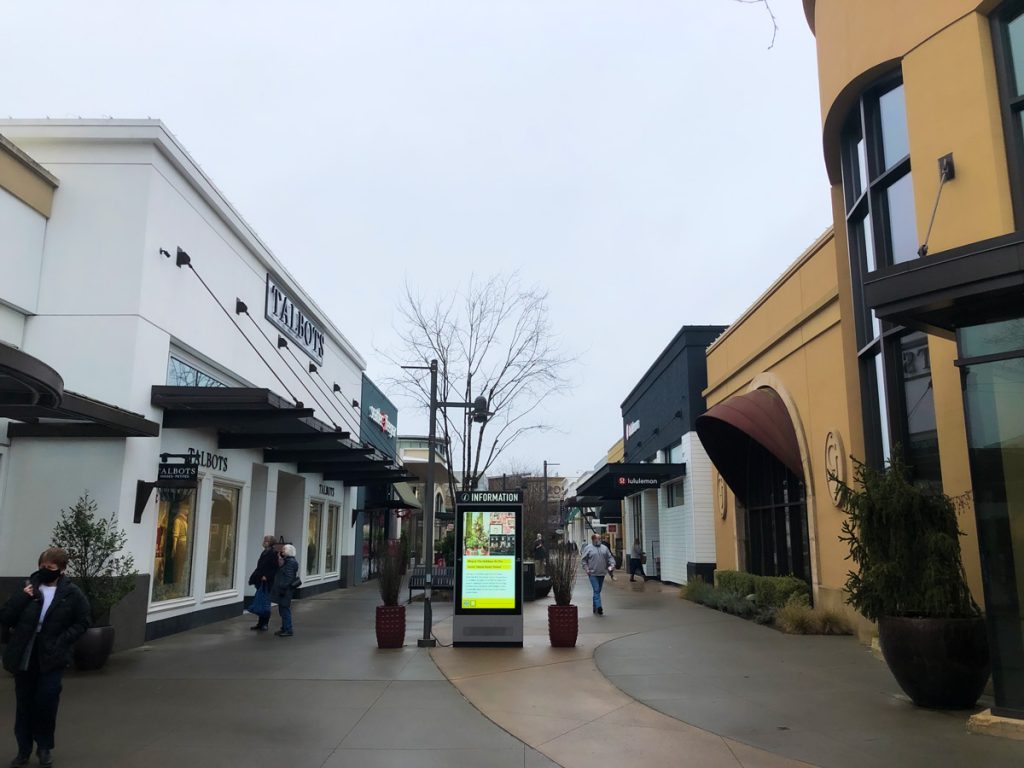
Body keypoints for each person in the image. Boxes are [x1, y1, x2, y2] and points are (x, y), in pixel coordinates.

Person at [0, 548, 90, 768]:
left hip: (52, 655)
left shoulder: (71, 593)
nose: (45, 571)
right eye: (42, 567)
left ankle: (44, 747)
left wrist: (63, 640)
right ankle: (23, 751)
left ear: (61, 570)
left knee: (47, 700)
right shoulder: (27, 587)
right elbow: (6, 616)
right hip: (25, 653)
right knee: (24, 703)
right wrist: (23, 597)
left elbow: (83, 621)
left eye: (50, 568)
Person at [248, 535, 280, 631]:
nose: (264, 542)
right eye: (264, 540)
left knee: (265, 602)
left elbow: (274, 568)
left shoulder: (273, 553)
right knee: (261, 601)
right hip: (261, 580)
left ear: (270, 542)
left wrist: (267, 576)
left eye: (266, 541)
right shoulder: (264, 552)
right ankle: (260, 623)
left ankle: (265, 623)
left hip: (267, 581)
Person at [581, 534, 615, 615]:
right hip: (592, 573)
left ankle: (595, 606)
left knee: (598, 590)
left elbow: (610, 557)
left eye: (600, 538)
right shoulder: (588, 548)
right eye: (597, 539)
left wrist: (612, 565)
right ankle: (599, 607)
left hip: (602, 573)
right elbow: (584, 560)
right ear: (593, 539)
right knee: (596, 590)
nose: (599, 540)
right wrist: (587, 569)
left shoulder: (604, 548)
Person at [271, 544, 299, 637]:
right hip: (284, 589)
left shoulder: (290, 562)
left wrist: (282, 586)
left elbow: (288, 577)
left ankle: (288, 629)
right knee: (282, 609)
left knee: (284, 609)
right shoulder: (288, 561)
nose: (281, 552)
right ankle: (284, 627)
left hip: (285, 590)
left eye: (283, 550)